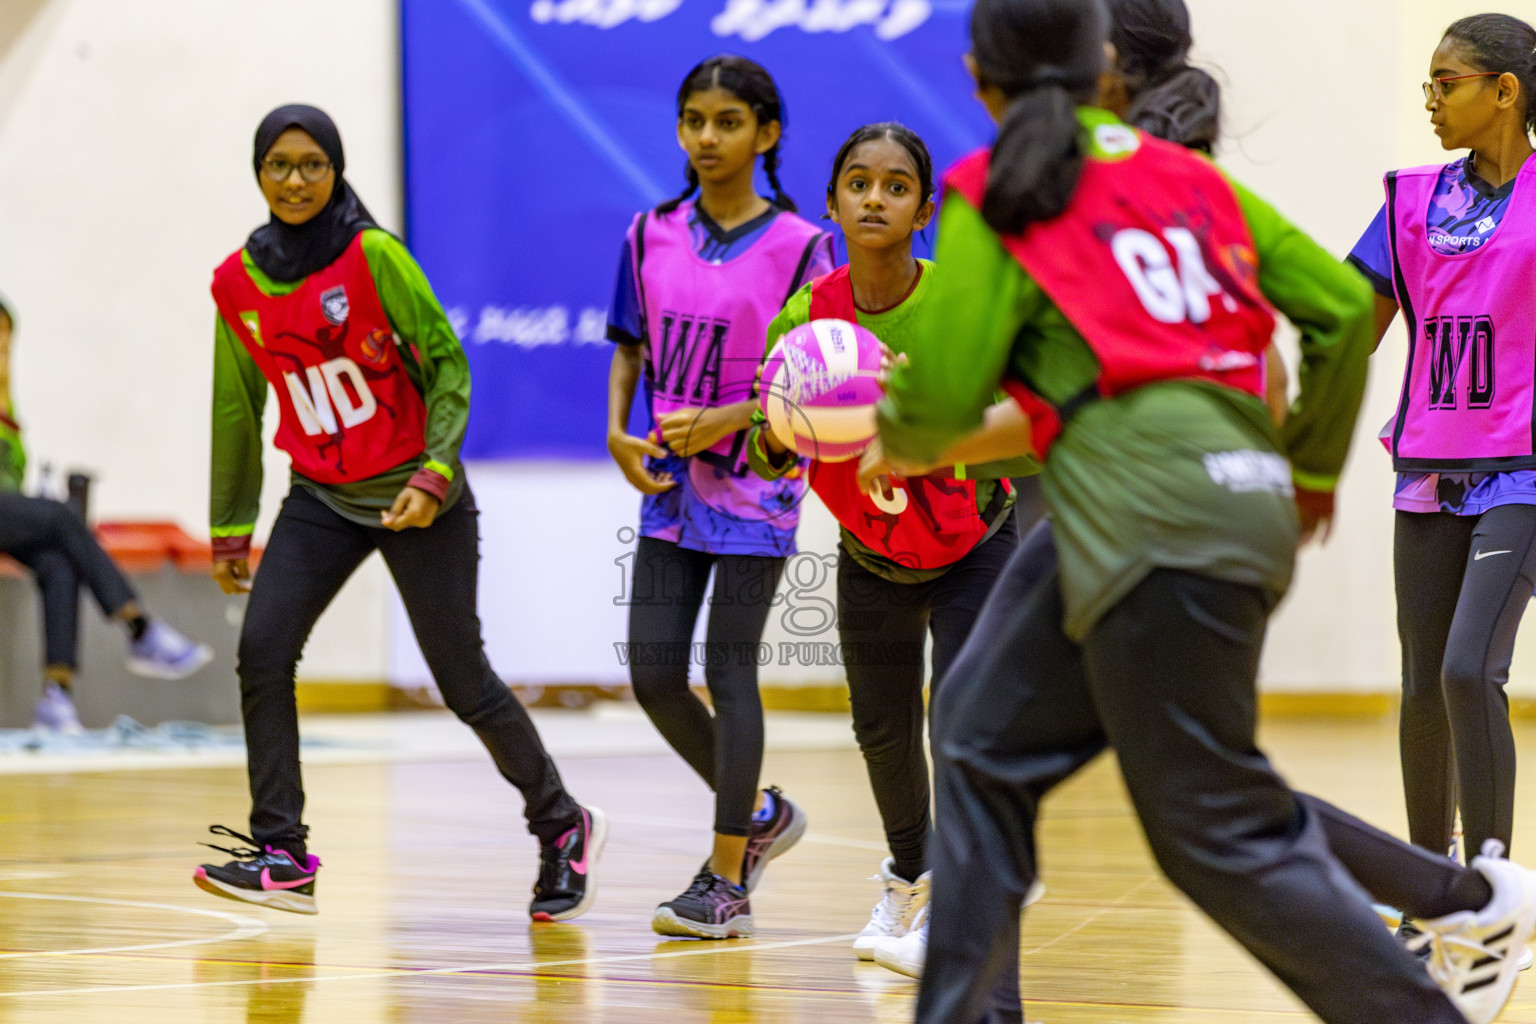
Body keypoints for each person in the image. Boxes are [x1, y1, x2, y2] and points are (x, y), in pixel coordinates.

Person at [875, 1, 1536, 1021]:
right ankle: (1463, 893)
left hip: (1151, 512)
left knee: (1210, 823)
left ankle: (1445, 950)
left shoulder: (1001, 185)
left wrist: (873, 424)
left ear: (976, 75)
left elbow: (939, 403)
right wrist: (1309, 476)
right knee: (973, 733)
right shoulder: (1188, 180)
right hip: (1230, 504)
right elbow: (1323, 314)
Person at [194, 105, 603, 920]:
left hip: (420, 495)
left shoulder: (374, 257)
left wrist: (435, 470)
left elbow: (448, 365)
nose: (297, 180)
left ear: (337, 170)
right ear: (258, 174)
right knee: (263, 652)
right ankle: (283, 853)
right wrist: (230, 528)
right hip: (320, 496)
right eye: (280, 164)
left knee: (463, 682)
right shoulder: (237, 284)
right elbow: (236, 409)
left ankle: (561, 825)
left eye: (313, 164)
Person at [747, 122, 1024, 960]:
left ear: (923, 209)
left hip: (975, 540)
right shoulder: (809, 316)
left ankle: (967, 896)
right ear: (832, 203)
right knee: (882, 728)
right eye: (858, 183)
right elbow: (768, 446)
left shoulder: (958, 303)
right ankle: (911, 878)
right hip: (871, 552)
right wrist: (788, 421)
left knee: (962, 724)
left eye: (895, 186)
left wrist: (922, 413)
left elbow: (1024, 433)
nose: (875, 198)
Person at [606, 55, 833, 940]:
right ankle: (766, 812)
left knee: (730, 673)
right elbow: (630, 345)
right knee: (655, 673)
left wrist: (731, 414)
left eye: (728, 121)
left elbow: (819, 382)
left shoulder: (804, 247)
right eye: (694, 120)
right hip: (669, 485)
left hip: (759, 486)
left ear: (766, 134)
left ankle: (727, 877)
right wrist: (617, 430)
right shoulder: (647, 232)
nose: (708, 137)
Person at [1344, 15, 1536, 881]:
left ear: (1506, 91)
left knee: (1468, 670)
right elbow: (1348, 327)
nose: (1431, 99)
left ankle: (1491, 892)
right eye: (1426, 83)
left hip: (1523, 472)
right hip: (1426, 468)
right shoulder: (1410, 200)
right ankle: (1432, 887)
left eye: (1446, 82)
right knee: (1423, 683)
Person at [0, 297, 212, 733]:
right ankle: (139, 628)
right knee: (60, 517)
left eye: (6, 339)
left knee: (59, 563)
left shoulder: (8, 403)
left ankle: (56, 698)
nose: (2, 346)